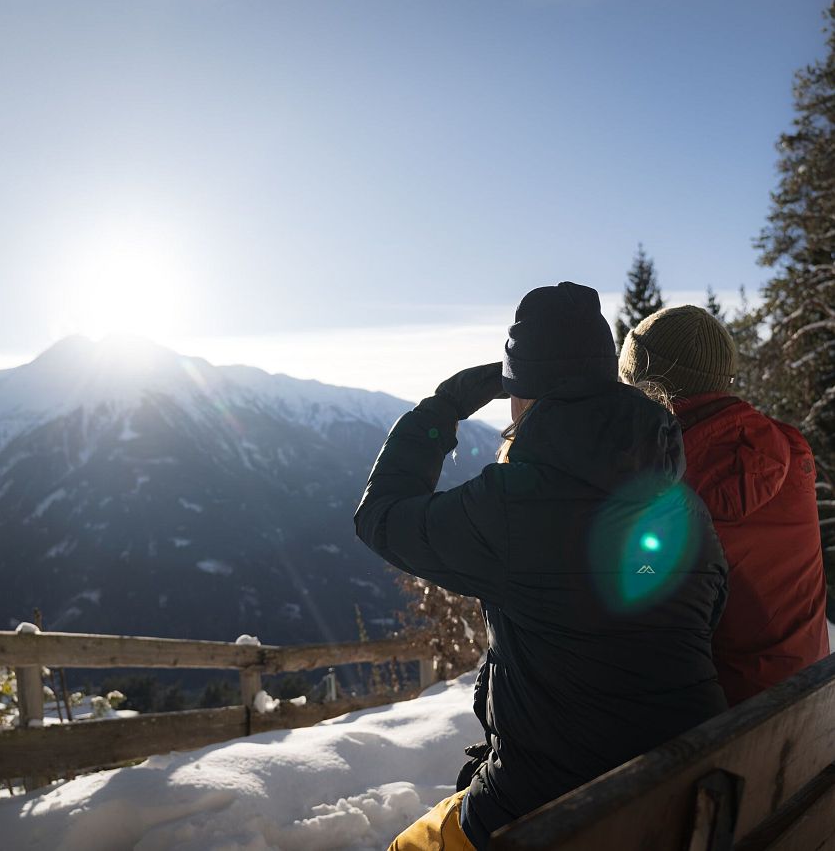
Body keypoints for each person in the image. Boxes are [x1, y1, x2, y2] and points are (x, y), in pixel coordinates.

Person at [355, 283, 729, 851]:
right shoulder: (684, 505)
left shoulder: (508, 506)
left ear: (522, 393)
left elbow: (380, 517)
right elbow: (707, 615)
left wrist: (443, 409)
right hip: (682, 791)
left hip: (548, 805)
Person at [619, 305, 830, 706]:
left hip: (719, 728)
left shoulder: (658, 487)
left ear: (648, 390)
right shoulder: (788, 448)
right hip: (809, 703)